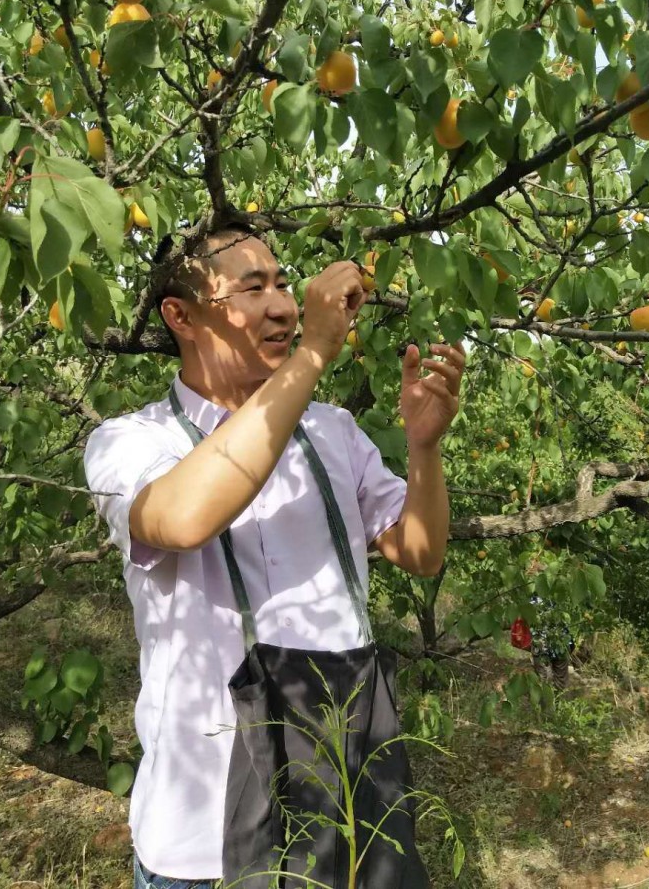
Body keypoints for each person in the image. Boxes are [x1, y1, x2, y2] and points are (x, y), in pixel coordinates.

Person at [83, 222, 465, 888]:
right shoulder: (129, 442)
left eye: (284, 283)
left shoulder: (332, 432)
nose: (285, 306)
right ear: (181, 316)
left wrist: (424, 447)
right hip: (203, 842)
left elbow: (422, 552)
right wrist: (314, 352)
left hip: (344, 810)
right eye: (253, 288)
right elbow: (182, 517)